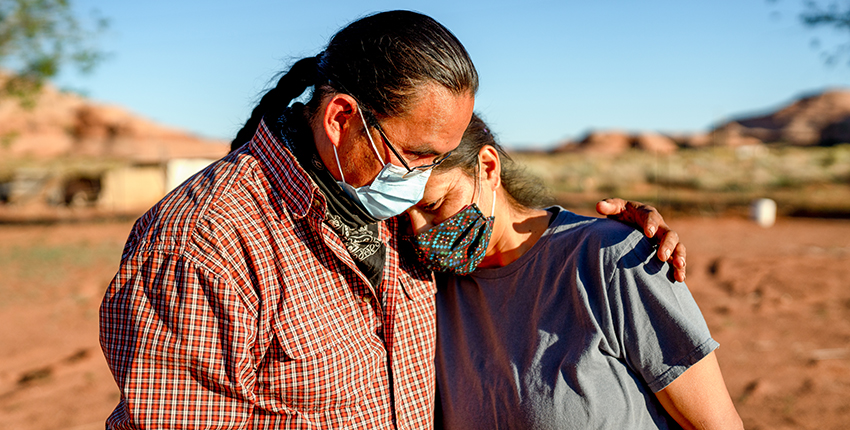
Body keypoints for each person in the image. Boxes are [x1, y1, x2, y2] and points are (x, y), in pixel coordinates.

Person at [99, 10, 685, 429]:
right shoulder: (202, 242)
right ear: (340, 119)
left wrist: (615, 239)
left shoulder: (382, 215)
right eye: (421, 156)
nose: (419, 192)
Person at [407, 114, 742, 429]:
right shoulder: (426, 287)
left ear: (488, 168)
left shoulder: (611, 259)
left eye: (433, 205)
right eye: (400, 216)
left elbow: (716, 424)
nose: (420, 232)